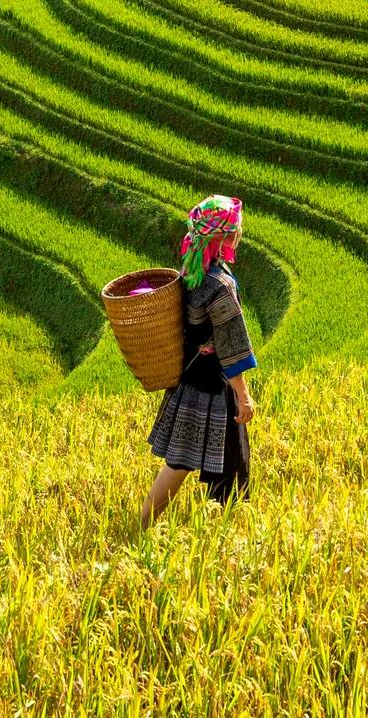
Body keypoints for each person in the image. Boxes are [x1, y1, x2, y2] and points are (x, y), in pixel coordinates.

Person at [142, 195, 257, 525]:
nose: (240, 232)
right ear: (223, 237)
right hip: (213, 389)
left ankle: (145, 521)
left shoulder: (191, 271)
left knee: (180, 461)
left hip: (189, 382)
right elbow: (231, 345)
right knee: (229, 465)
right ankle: (221, 531)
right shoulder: (220, 285)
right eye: (236, 228)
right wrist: (244, 396)